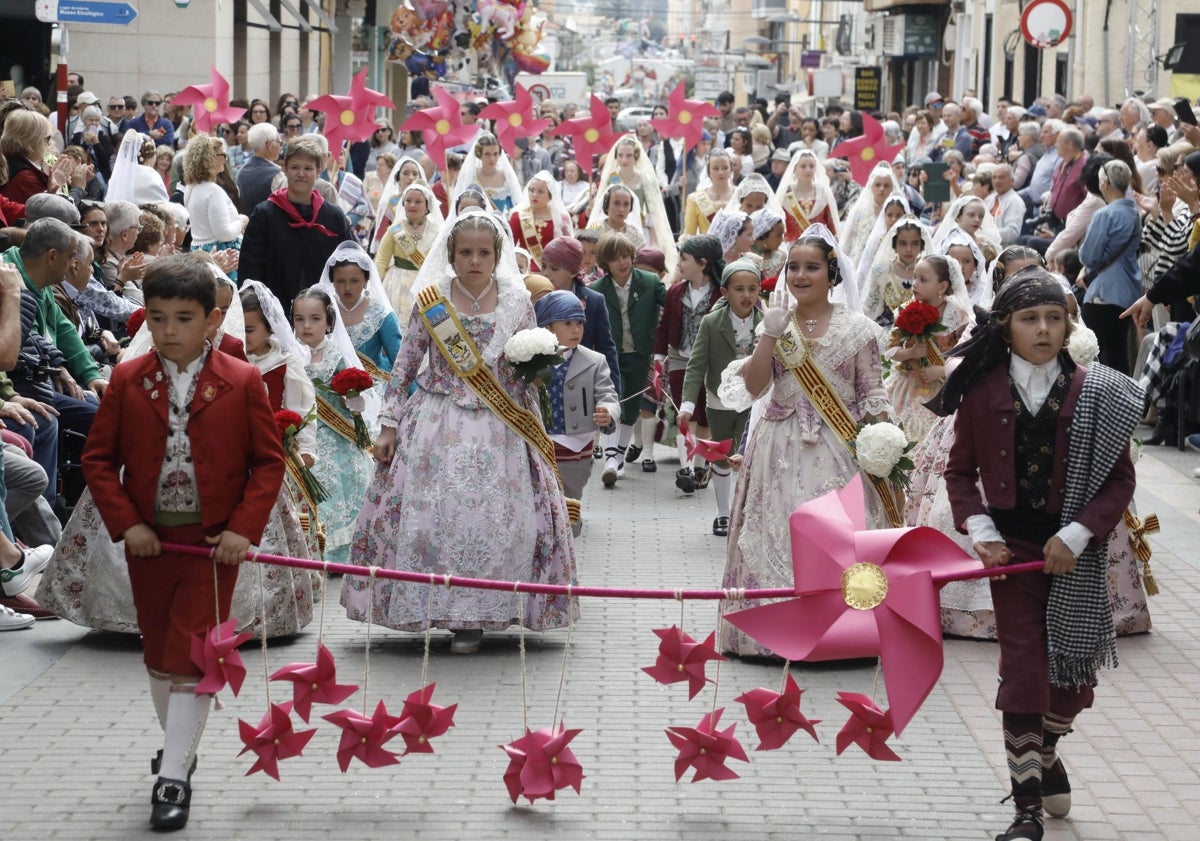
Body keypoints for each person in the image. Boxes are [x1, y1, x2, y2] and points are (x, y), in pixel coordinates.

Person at [81, 254, 284, 830]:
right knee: (157, 655)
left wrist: (243, 529)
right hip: (150, 543)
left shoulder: (241, 381)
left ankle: (172, 777)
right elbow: (97, 459)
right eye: (158, 316)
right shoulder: (127, 378)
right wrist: (130, 524)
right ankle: (180, 749)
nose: (168, 330)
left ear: (213, 319)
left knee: (191, 656)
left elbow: (267, 464)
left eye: (183, 318)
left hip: (212, 544)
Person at [942, 267, 1142, 841]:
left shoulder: (1098, 390)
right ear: (1005, 328)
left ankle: (1045, 751)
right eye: (1030, 319)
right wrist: (980, 531)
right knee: (1024, 672)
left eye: (1055, 318)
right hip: (1014, 555)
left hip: (1073, 550)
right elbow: (960, 473)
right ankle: (1026, 811)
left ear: (1068, 324)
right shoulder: (980, 392)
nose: (1044, 328)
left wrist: (1077, 535)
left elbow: (1118, 481)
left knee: (1073, 682)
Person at [341, 209, 580, 654]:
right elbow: (405, 365)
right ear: (451, 254)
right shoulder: (431, 301)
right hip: (437, 420)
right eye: (466, 252)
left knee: (503, 520)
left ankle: (489, 610)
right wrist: (389, 424)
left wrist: (533, 375)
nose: (475, 260)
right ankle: (446, 611)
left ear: (497, 255)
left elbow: (531, 367)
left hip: (503, 424)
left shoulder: (516, 302)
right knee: (433, 518)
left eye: (483, 252)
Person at [719, 229, 891, 657]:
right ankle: (769, 635)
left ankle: (841, 638)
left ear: (831, 275)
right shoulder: (776, 323)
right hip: (778, 446)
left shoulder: (859, 330)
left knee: (836, 537)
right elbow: (756, 387)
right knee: (777, 534)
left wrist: (884, 451)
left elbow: (872, 395)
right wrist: (769, 335)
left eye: (811, 267)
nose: (799, 275)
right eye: (793, 267)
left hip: (839, 448)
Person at [677, 255, 762, 537]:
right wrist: (688, 405)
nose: (747, 295)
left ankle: (747, 510)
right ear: (725, 292)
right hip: (719, 400)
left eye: (752, 288)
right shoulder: (712, 323)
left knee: (748, 454)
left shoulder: (766, 323)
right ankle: (723, 512)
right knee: (721, 455)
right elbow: (697, 364)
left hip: (755, 400)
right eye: (739, 289)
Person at [291, 286, 375, 566]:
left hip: (336, 434)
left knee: (343, 482)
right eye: (300, 319)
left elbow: (354, 403)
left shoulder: (336, 354)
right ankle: (311, 551)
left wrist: (353, 397)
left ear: (328, 321)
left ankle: (339, 555)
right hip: (302, 435)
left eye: (314, 319)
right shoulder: (287, 352)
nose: (306, 326)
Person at [535, 290, 618, 537]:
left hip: (576, 446)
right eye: (567, 323)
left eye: (580, 323)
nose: (576, 330)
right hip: (540, 442)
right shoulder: (530, 359)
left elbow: (608, 394)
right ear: (547, 326)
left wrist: (609, 413)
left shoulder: (594, 360)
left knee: (571, 495)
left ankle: (570, 535)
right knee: (541, 497)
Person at [240, 134, 354, 304]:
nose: (301, 174)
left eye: (308, 168)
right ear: (284, 168)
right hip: (276, 315)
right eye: (295, 167)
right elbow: (250, 271)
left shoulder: (333, 217)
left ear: (318, 170)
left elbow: (350, 265)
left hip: (324, 315)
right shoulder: (265, 215)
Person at [649, 234, 724, 488]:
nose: (679, 264)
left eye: (684, 259)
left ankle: (701, 467)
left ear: (702, 263)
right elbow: (663, 326)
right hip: (681, 358)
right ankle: (686, 468)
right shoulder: (675, 292)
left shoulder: (721, 294)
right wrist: (659, 357)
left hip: (712, 363)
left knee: (705, 417)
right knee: (685, 413)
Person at [591, 231, 666, 487]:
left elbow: (672, 304)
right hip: (610, 356)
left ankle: (619, 458)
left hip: (640, 355)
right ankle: (611, 460)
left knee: (632, 408)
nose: (622, 262)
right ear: (605, 263)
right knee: (613, 403)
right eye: (615, 259)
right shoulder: (597, 290)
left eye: (625, 256)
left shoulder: (651, 282)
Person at [883, 254, 972, 445]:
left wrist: (939, 370)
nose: (915, 283)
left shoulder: (959, 316)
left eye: (923, 280)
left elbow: (967, 358)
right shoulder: (906, 310)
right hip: (908, 387)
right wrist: (911, 353)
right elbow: (891, 350)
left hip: (942, 390)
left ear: (942, 286)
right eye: (915, 277)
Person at [1078, 159, 1141, 375]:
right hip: (1128, 288)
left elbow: (1088, 256)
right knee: (1117, 355)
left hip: (1104, 291)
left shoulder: (1104, 214)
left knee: (1086, 354)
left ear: (1104, 183)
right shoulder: (1134, 213)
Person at [375, 182, 442, 323]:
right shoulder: (395, 230)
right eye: (408, 201)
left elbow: (441, 261)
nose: (412, 205)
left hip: (426, 284)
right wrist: (375, 286)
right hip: (396, 284)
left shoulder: (437, 231)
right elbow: (381, 261)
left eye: (418, 201)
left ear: (427, 206)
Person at [183, 134, 248, 274]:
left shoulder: (191, 187)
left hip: (200, 252)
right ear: (210, 158)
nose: (226, 159)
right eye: (223, 155)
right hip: (223, 257)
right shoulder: (213, 191)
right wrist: (242, 221)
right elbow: (223, 233)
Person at [509, 170, 573, 271]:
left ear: (550, 195)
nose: (534, 195)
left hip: (552, 272)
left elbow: (567, 250)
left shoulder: (560, 219)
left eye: (540, 191)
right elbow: (509, 247)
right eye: (531, 190)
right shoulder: (518, 217)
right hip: (525, 271)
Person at [839, 163, 901, 265]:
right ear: (871, 187)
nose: (881, 189)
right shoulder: (859, 212)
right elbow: (847, 243)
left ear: (892, 188)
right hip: (861, 262)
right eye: (878, 185)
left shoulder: (899, 212)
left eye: (886, 185)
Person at [776, 148, 840, 242]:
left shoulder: (823, 192)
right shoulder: (785, 193)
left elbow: (831, 223)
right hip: (792, 247)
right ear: (794, 169)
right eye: (803, 166)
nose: (808, 170)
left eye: (811, 166)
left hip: (819, 246)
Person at [454, 130, 522, 215]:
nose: (492, 158)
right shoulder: (471, 175)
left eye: (495, 154)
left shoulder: (506, 176)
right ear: (479, 154)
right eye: (487, 154)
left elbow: (515, 204)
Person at [683, 150, 735, 235]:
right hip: (706, 247)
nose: (721, 172)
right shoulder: (695, 199)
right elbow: (689, 235)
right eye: (715, 168)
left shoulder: (740, 195)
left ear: (731, 170)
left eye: (725, 168)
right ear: (709, 172)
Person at [234, 123, 282, 213]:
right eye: (279, 142)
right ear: (269, 145)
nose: (281, 147)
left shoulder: (240, 172)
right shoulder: (277, 174)